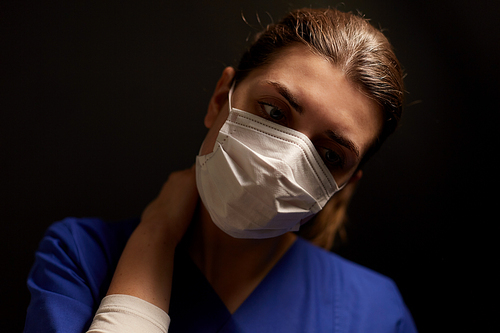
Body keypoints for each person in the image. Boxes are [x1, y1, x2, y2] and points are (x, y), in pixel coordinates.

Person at [24, 8, 417, 333]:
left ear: (344, 186)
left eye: (331, 156)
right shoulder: (82, 257)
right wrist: (154, 239)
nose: (285, 160)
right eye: (275, 112)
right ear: (219, 99)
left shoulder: (375, 315)